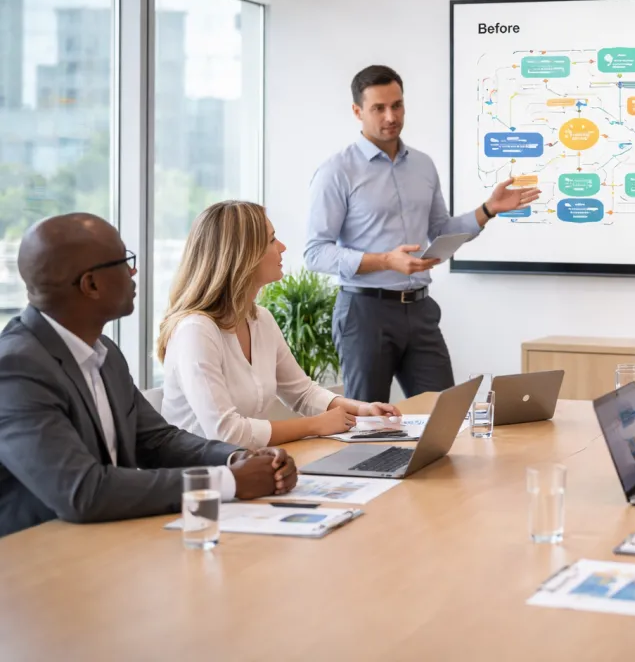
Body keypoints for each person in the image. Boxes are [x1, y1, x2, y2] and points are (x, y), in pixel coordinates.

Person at [0, 214, 297, 539]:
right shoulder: (16, 368)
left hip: (106, 541)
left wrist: (236, 457)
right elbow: (82, 491)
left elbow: (157, 440)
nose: (133, 272)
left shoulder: (104, 352)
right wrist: (231, 481)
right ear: (91, 284)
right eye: (124, 261)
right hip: (38, 557)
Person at [305, 64, 542, 403]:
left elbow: (441, 230)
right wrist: (386, 260)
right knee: (366, 424)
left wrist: (487, 210)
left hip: (420, 310)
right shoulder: (336, 172)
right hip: (364, 312)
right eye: (378, 108)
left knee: (444, 415)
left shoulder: (422, 165)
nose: (391, 116)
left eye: (397, 105)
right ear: (357, 111)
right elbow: (316, 252)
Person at [158, 201, 400, 448]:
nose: (282, 247)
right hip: (198, 479)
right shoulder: (195, 331)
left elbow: (303, 393)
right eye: (272, 240)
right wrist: (316, 425)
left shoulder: (260, 319)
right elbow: (226, 433)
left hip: (244, 466)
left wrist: (362, 409)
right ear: (243, 255)